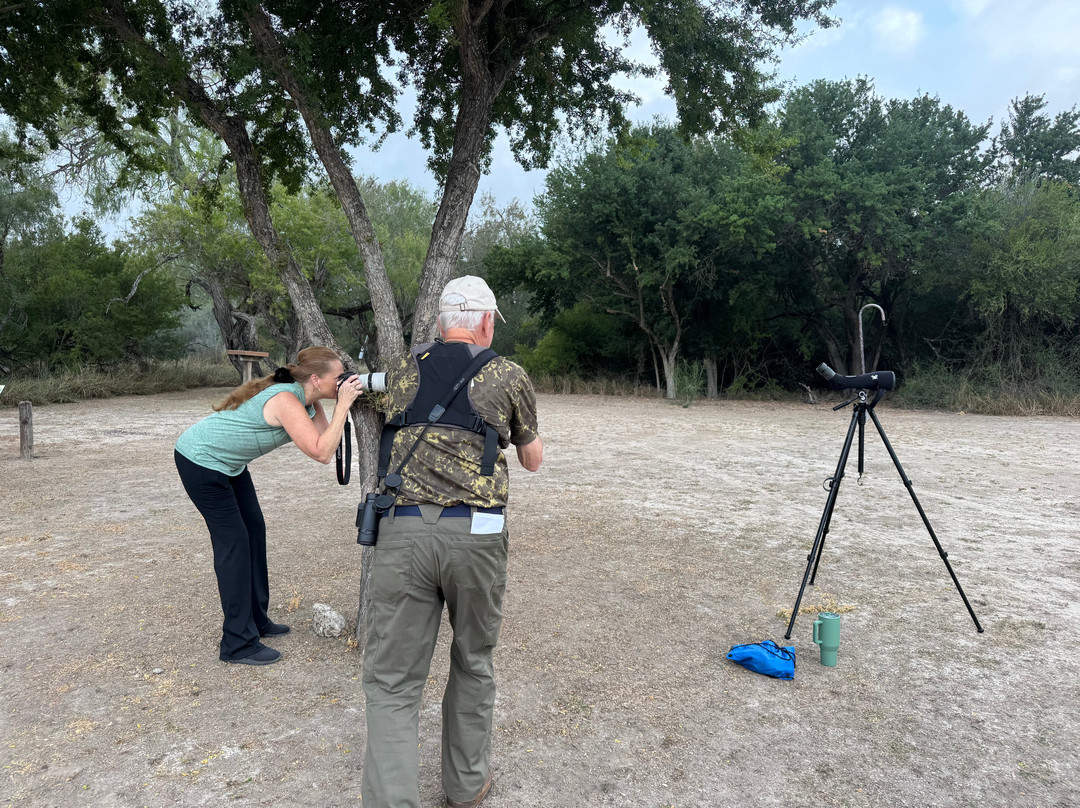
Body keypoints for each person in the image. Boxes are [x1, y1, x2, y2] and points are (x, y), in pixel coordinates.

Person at [361, 276, 544, 808]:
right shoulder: (507, 374)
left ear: (441, 324)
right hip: (477, 537)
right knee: (473, 660)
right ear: (486, 321)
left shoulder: (400, 372)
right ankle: (465, 786)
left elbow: (365, 398)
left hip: (402, 534)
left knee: (392, 683)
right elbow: (532, 459)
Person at [174, 346, 363, 666]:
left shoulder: (305, 397)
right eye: (339, 377)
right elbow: (321, 452)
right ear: (315, 379)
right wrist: (343, 404)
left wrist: (324, 400)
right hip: (201, 462)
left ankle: (256, 620)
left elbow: (326, 440)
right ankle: (237, 643)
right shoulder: (286, 400)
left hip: (229, 465)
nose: (344, 381)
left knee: (254, 531)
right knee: (234, 544)